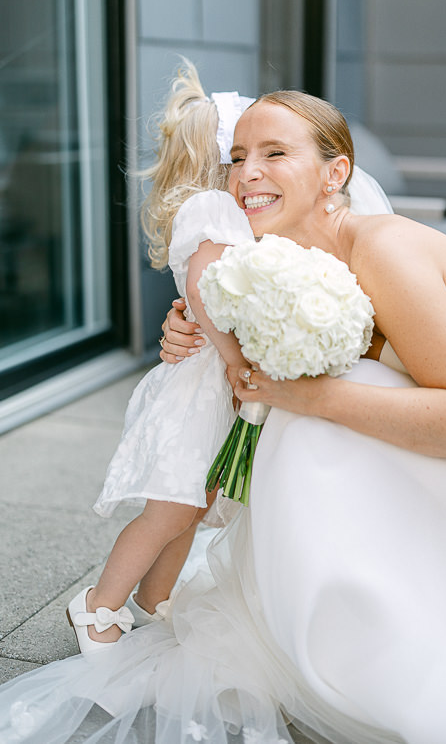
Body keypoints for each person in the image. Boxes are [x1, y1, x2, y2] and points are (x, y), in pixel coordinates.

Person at [1, 90, 446, 744]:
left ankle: (375, 627)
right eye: (237, 155)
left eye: (274, 153)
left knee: (314, 410)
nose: (245, 173)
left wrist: (303, 396)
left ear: (335, 174)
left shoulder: (383, 247)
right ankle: (349, 619)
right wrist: (190, 328)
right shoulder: (298, 268)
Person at [66, 60, 257, 653]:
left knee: (194, 503)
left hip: (209, 377)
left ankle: (155, 598)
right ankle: (97, 605)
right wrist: (231, 360)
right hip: (204, 381)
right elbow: (202, 292)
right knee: (171, 507)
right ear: (226, 158)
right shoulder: (213, 207)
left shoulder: (218, 208)